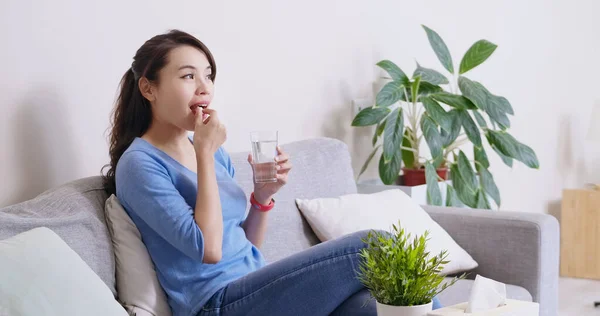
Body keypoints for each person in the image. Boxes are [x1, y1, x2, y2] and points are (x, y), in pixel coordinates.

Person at [101, 29, 442, 316]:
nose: (204, 87)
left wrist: (262, 198)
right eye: (188, 76)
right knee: (376, 244)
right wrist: (203, 152)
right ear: (148, 88)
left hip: (256, 287)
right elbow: (209, 250)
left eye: (208, 75)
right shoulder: (140, 164)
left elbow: (244, 244)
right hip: (216, 305)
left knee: (377, 306)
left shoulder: (210, 149)